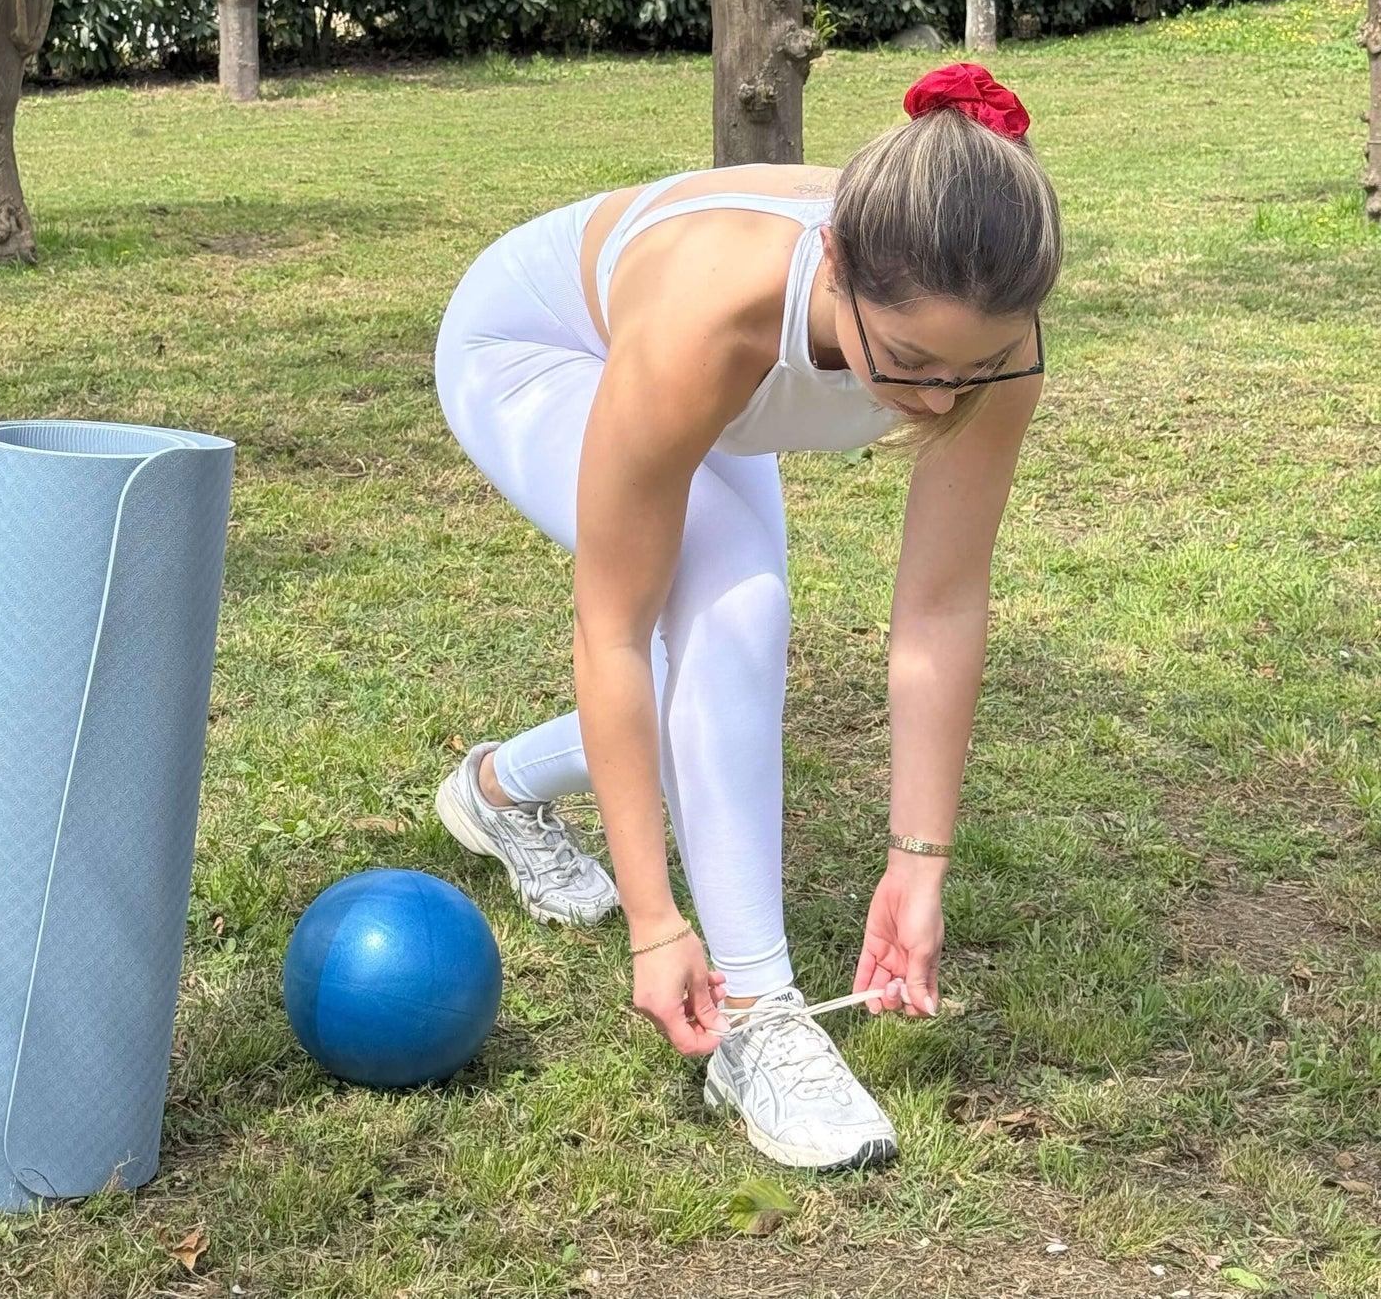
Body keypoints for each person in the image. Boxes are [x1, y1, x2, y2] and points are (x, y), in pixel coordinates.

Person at [431, 62, 1060, 1169]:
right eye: (906, 363)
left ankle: (496, 790)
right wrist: (653, 919)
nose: (932, 403)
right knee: (731, 605)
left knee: (734, 653)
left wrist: (920, 862)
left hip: (714, 391)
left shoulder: (993, 345)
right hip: (536, 348)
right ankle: (759, 1024)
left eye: (972, 373)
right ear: (832, 263)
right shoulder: (709, 313)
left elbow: (942, 606)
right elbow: (614, 632)